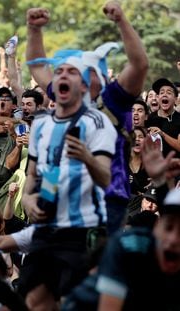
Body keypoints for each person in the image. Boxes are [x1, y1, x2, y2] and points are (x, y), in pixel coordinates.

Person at [26, 1, 148, 234]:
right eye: (68, 69)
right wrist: (33, 29)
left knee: (93, 266)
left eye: (84, 69)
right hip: (62, 199)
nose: (74, 73)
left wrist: (121, 20)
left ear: (100, 75)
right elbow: (38, 67)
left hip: (106, 200)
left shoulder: (113, 98)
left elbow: (140, 65)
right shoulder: (65, 98)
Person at [20, 53, 117, 309]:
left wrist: (88, 158)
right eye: (59, 71)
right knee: (32, 301)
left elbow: (108, 181)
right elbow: (32, 175)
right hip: (45, 229)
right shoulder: (40, 124)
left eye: (72, 72)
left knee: (70, 303)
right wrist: (27, 198)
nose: (63, 74)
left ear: (84, 87)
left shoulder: (98, 122)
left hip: (81, 231)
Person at [146, 77, 180, 158]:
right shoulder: (150, 118)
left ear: (175, 99)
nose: (164, 94)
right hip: (155, 167)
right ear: (158, 98)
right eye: (161, 93)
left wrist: (163, 134)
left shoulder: (179, 119)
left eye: (169, 92)